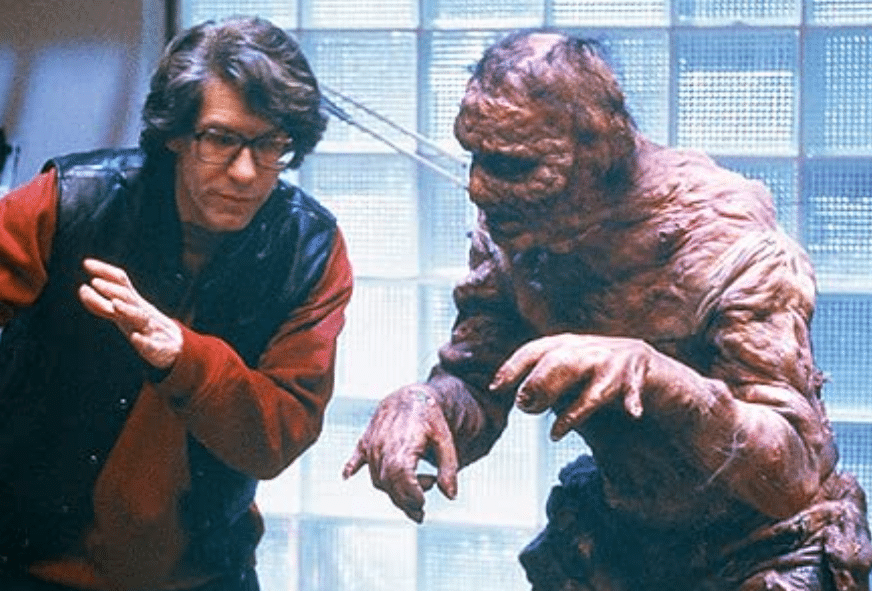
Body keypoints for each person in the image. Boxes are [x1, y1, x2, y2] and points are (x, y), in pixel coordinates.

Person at [343, 29, 871, 590]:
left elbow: (790, 478)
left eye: (513, 166)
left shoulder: (720, 237)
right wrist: (425, 405)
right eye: (475, 156)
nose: (478, 188)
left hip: (765, 541)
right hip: (624, 533)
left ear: (598, 153)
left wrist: (657, 377)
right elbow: (479, 384)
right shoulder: (520, 232)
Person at [0, 15, 352, 591]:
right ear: (176, 135)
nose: (246, 172)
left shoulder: (309, 248)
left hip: (207, 575)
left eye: (271, 144)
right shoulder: (66, 204)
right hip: (31, 569)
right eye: (222, 140)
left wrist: (185, 358)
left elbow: (277, 437)